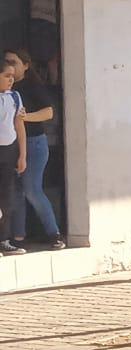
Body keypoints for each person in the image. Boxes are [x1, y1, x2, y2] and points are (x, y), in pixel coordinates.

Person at [4, 49, 64, 250]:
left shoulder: (31, 86)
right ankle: (18, 237)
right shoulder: (7, 88)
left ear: (26, 65)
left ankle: (54, 233)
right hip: (13, 145)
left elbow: (48, 112)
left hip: (34, 143)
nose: (10, 65)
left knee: (32, 189)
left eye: (14, 61)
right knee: (17, 193)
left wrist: (23, 117)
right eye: (6, 62)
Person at [0, 61, 22, 257]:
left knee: (7, 197)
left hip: (9, 150)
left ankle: (4, 240)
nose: (10, 80)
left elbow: (18, 124)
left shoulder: (14, 96)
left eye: (12, 76)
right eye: (7, 75)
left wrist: (23, 154)